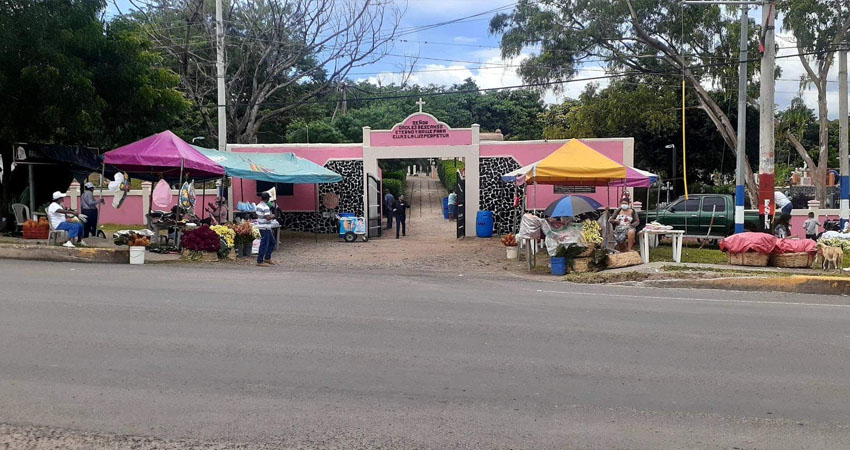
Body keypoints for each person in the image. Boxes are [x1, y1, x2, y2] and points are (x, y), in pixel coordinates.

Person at [255, 192, 277, 266]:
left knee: (272, 242)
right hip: (265, 227)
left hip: (262, 226)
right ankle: (260, 261)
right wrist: (274, 216)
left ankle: (267, 258)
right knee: (264, 244)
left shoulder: (258, 205)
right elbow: (268, 218)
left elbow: (258, 216)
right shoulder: (266, 207)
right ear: (267, 199)